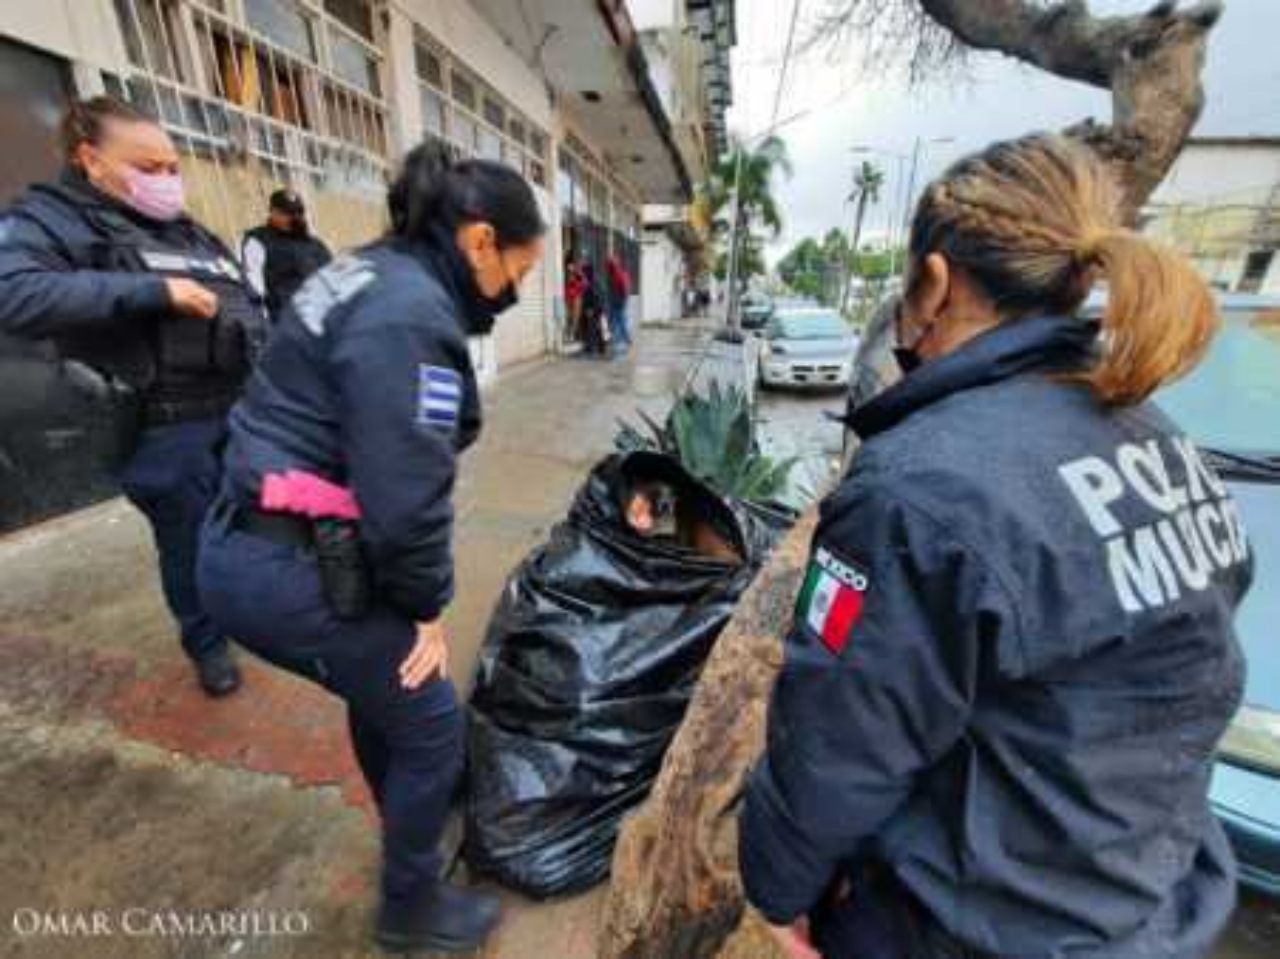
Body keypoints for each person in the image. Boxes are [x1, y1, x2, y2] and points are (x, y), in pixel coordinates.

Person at [739, 133, 1253, 959]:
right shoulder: (1162, 442)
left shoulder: (916, 489)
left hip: (965, 924)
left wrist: (778, 891)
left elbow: (838, 743)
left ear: (934, 284)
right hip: (1150, 902)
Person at [196, 144, 545, 953]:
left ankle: (409, 828)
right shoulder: (411, 316)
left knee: (379, 691)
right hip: (286, 560)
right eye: (518, 270)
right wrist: (424, 609)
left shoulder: (368, 272)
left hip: (255, 536)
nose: (515, 292)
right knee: (429, 722)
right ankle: (410, 909)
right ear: (481, 241)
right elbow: (404, 503)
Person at [0, 96, 263, 697]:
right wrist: (151, 290)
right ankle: (206, 644)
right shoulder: (50, 219)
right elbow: (14, 295)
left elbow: (245, 308)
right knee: (188, 544)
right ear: (91, 160)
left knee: (245, 529)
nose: (167, 180)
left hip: (237, 413)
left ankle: (240, 612)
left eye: (172, 166)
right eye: (149, 167)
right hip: (163, 429)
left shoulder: (186, 229)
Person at [241, 187, 332, 325]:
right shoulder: (258, 240)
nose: (294, 218)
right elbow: (254, 286)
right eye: (288, 213)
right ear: (273, 212)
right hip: (284, 323)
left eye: (298, 212)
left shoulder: (316, 245)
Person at [605, 253, 632, 355]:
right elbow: (610, 290)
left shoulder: (620, 275)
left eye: (609, 266)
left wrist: (623, 302)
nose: (607, 268)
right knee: (616, 323)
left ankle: (621, 343)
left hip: (619, 302)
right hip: (614, 302)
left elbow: (625, 290)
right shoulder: (611, 275)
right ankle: (622, 342)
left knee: (618, 324)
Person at [580, 260, 606, 356]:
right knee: (598, 328)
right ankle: (600, 347)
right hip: (598, 307)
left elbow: (595, 296)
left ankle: (591, 348)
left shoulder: (592, 281)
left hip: (594, 308)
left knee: (592, 328)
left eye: (583, 272)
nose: (582, 274)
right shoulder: (594, 279)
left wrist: (591, 309)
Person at [564, 254, 586, 346]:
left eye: (571, 265)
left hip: (576, 297)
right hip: (569, 297)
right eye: (568, 266)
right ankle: (570, 335)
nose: (569, 268)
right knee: (570, 316)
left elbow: (585, 283)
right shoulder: (566, 273)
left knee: (575, 317)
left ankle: (572, 335)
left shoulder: (578, 273)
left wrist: (576, 283)